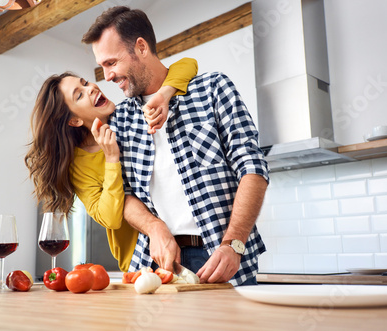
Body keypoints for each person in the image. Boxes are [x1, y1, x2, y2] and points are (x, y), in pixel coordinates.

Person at [82, 6, 269, 286]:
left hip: (222, 258)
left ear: (141, 48)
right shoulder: (119, 120)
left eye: (111, 63)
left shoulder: (213, 89)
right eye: (102, 67)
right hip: (158, 262)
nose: (106, 76)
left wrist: (234, 243)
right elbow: (125, 194)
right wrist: (153, 227)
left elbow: (252, 168)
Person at [24, 58, 197, 272]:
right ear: (75, 120)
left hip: (186, 241)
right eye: (79, 95)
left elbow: (188, 64)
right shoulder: (78, 165)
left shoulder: (131, 116)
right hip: (140, 260)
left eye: (86, 83)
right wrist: (111, 158)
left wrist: (164, 93)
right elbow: (110, 218)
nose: (91, 89)